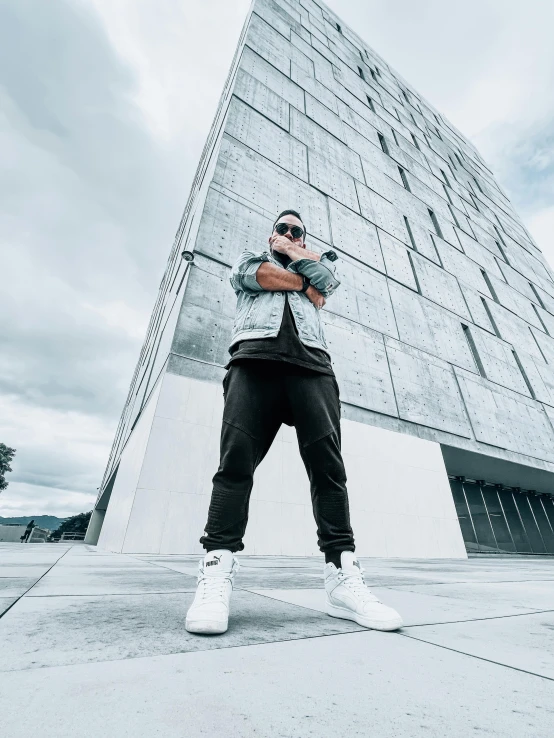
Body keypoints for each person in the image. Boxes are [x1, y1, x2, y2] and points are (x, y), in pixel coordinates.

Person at [185, 210, 402, 634]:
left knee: (329, 472)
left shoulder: (315, 267)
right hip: (254, 361)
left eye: (296, 231)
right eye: (281, 229)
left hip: (314, 368)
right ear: (271, 236)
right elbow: (259, 277)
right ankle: (215, 570)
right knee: (235, 466)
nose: (287, 234)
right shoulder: (252, 258)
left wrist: (304, 267)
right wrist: (302, 275)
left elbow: (329, 284)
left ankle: (342, 577)